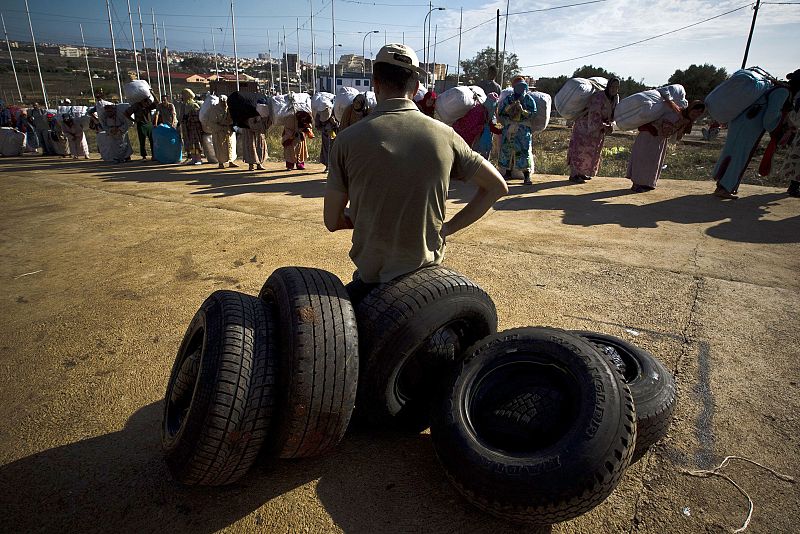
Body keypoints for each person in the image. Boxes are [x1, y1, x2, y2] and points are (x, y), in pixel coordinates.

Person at [324, 43, 508, 288]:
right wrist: (447, 229)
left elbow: (331, 220)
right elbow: (497, 187)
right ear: (417, 86)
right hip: (427, 282)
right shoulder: (446, 136)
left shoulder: (346, 140)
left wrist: (364, 217)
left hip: (371, 281)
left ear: (375, 84)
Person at [712, 69, 798, 199]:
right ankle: (725, 187)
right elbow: (769, 119)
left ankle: (722, 183)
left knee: (731, 151)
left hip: (741, 120)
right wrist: (779, 129)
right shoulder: (783, 92)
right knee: (740, 155)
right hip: (750, 125)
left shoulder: (777, 86)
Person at [627, 100, 705, 193]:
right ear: (690, 109)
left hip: (659, 140)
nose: (696, 114)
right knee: (643, 160)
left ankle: (647, 183)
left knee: (654, 162)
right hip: (648, 136)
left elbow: (677, 137)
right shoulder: (676, 112)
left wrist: (683, 125)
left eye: (699, 113)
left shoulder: (687, 120)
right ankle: (637, 184)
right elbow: (665, 126)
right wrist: (680, 123)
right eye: (695, 111)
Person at [567, 78, 619, 183]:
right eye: (612, 86)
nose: (614, 89)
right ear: (608, 86)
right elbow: (593, 115)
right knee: (580, 151)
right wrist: (604, 125)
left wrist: (610, 124)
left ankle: (582, 173)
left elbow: (613, 114)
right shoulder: (598, 97)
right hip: (584, 127)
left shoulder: (615, 98)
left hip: (598, 130)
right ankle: (574, 175)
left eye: (617, 87)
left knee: (590, 152)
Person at [498, 75, 538, 184]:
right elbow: (501, 112)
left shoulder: (529, 99)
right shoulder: (509, 99)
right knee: (507, 150)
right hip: (510, 128)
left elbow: (533, 114)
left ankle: (527, 176)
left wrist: (523, 111)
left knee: (523, 151)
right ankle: (507, 173)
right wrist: (509, 108)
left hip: (523, 130)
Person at [780, 73, 800, 197]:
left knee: (796, 160)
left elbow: (793, 116)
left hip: (797, 134)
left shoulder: (796, 96)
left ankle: (794, 186)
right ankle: (794, 187)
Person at [210, 95, 238, 169]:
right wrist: (222, 127)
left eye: (225, 102)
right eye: (222, 102)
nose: (224, 103)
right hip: (219, 133)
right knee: (220, 148)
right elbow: (212, 123)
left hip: (229, 131)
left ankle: (231, 162)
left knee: (231, 146)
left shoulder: (229, 108)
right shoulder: (215, 110)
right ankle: (221, 163)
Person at [125, 97, 156, 161]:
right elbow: (126, 113)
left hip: (149, 124)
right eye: (144, 102)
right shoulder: (136, 106)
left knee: (152, 140)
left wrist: (152, 93)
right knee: (142, 141)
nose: (146, 103)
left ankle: (154, 155)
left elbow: (157, 103)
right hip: (141, 124)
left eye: (146, 102)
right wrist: (134, 120)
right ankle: (144, 156)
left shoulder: (149, 105)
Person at [180, 88, 203, 165]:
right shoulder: (184, 105)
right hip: (188, 128)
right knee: (190, 143)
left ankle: (198, 158)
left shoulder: (194, 105)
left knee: (196, 143)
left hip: (194, 127)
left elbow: (197, 117)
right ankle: (193, 158)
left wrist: (189, 118)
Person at [314, 106, 339, 171]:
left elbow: (339, 125)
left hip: (335, 134)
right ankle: (328, 166)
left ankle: (334, 167)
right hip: (325, 135)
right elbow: (317, 126)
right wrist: (325, 130)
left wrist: (334, 123)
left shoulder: (336, 112)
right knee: (326, 150)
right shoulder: (319, 113)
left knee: (334, 150)